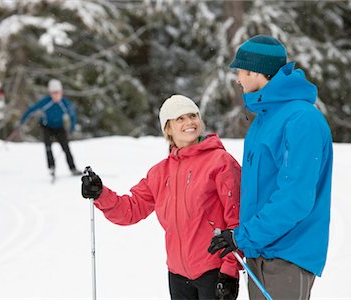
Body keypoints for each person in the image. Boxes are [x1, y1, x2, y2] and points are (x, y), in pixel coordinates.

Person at [208, 35, 333, 300]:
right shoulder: (264, 120)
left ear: (257, 72)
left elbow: (295, 198)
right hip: (260, 251)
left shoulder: (300, 119)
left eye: (241, 72)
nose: (238, 79)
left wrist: (245, 236)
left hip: (287, 254)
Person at [81, 95, 242, 300]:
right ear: (168, 128)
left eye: (193, 116)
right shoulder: (160, 173)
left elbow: (236, 219)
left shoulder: (220, 162)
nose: (189, 122)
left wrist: (229, 271)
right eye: (180, 119)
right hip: (177, 275)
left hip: (213, 271)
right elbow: (130, 210)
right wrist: (101, 194)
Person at [18, 79, 82, 177]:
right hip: (46, 126)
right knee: (48, 147)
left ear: (61, 92)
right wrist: (22, 121)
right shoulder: (46, 101)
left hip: (59, 127)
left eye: (58, 93)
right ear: (50, 93)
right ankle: (51, 168)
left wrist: (71, 128)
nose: (56, 95)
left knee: (66, 148)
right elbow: (31, 109)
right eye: (53, 93)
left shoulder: (64, 103)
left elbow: (72, 116)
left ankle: (73, 168)